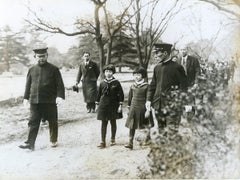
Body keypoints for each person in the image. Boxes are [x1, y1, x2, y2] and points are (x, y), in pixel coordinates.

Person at [19, 46, 65, 151]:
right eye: (39, 57)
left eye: (43, 56)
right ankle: (30, 143)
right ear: (35, 57)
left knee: (53, 121)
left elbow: (59, 85)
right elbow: (28, 85)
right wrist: (26, 98)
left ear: (47, 56)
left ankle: (53, 140)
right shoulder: (31, 69)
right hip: (35, 101)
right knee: (32, 121)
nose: (41, 59)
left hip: (50, 101)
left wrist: (59, 97)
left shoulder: (54, 69)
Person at [145, 43, 187, 135]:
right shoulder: (157, 68)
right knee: (162, 132)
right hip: (158, 106)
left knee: (172, 134)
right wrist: (148, 100)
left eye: (157, 53)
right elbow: (153, 85)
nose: (155, 56)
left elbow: (184, 87)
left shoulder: (177, 67)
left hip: (172, 107)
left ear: (164, 53)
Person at [125, 67, 154, 150]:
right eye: (135, 75)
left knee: (146, 124)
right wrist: (129, 108)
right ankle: (130, 142)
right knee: (132, 124)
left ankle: (147, 139)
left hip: (143, 107)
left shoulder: (146, 86)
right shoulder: (132, 86)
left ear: (143, 75)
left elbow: (149, 98)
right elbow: (130, 98)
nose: (136, 76)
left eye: (138, 74)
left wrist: (148, 110)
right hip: (134, 108)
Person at [95, 64, 124, 149]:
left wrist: (120, 105)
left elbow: (121, 95)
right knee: (104, 123)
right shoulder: (102, 83)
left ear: (113, 72)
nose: (108, 73)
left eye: (110, 71)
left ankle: (113, 139)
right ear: (104, 72)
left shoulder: (116, 83)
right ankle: (102, 141)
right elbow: (99, 94)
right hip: (103, 105)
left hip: (113, 105)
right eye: (106, 71)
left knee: (113, 122)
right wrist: (97, 105)